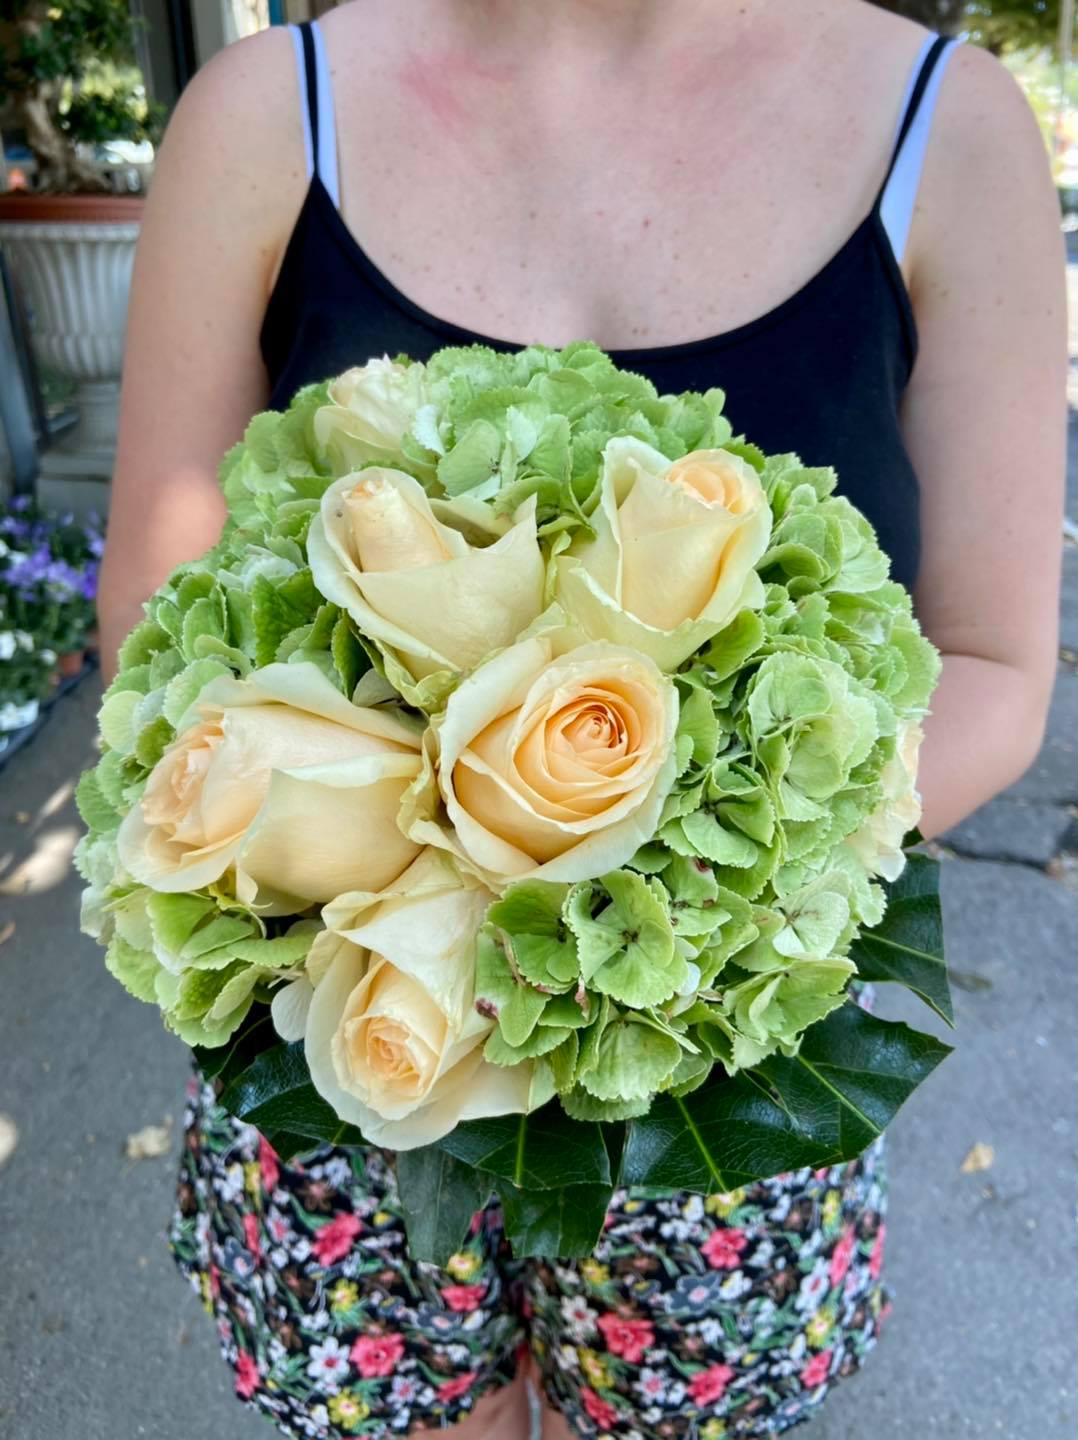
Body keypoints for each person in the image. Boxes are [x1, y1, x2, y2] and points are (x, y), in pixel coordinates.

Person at [98, 1, 1065, 1435]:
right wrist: (433, 878)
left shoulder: (951, 130)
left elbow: (990, 668)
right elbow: (158, 641)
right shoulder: (259, 118)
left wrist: (653, 897)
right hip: (358, 1033)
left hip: (712, 1064)